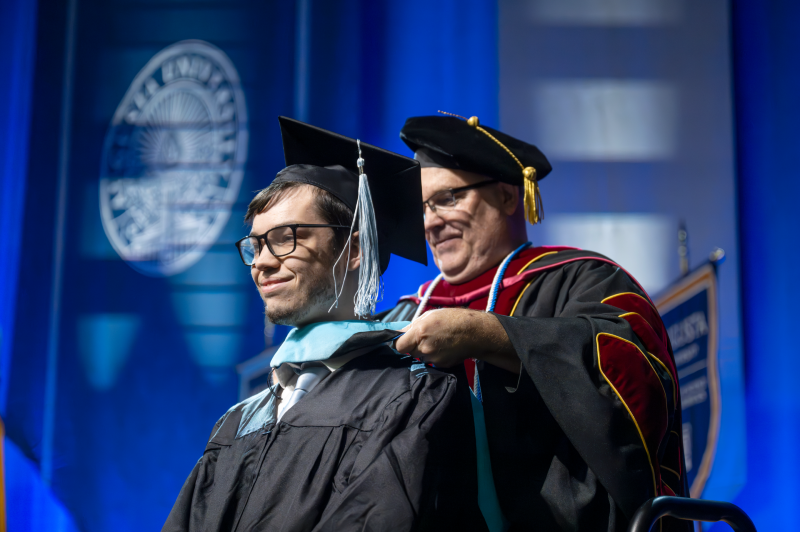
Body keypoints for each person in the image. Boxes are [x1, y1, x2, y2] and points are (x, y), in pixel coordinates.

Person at [163, 117, 481, 532]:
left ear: (354, 250)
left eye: (285, 237)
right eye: (255, 245)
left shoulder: (409, 397)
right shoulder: (239, 419)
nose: (260, 262)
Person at [382, 113, 690, 531]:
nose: (431, 222)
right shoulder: (406, 312)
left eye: (448, 198)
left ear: (509, 197)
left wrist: (491, 335)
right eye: (422, 207)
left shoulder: (584, 279)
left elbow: (632, 378)